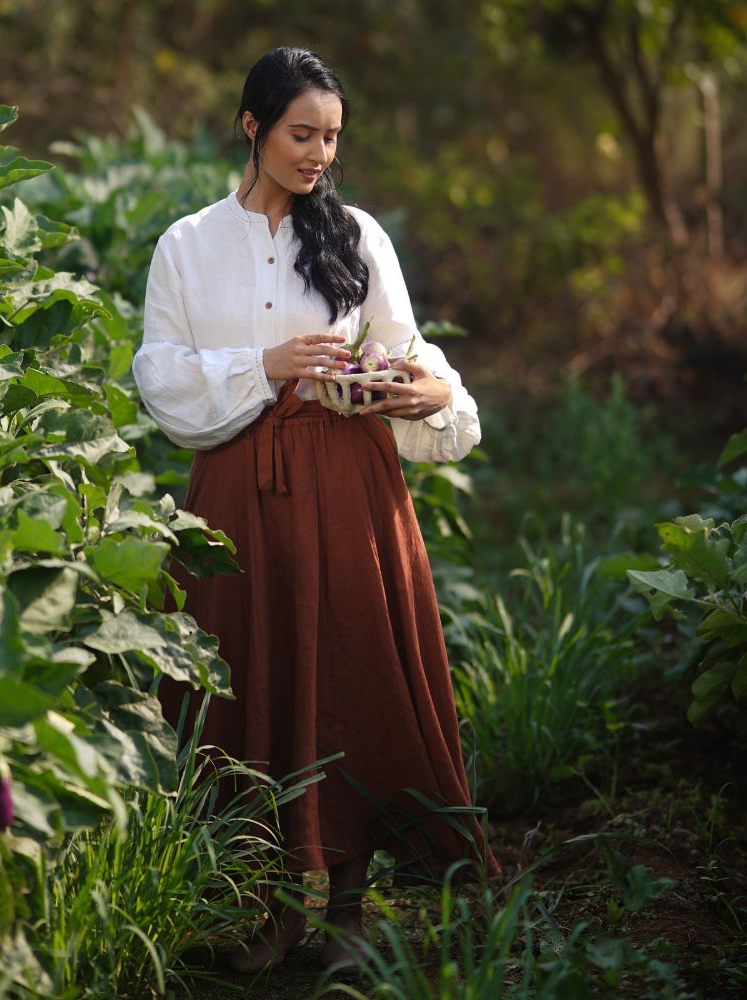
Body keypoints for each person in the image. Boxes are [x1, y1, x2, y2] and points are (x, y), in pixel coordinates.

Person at [132, 46, 501, 972]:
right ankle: (263, 903)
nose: (319, 155)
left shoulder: (357, 237)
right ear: (252, 126)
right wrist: (266, 366)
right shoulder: (187, 246)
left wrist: (425, 395)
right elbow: (162, 381)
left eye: (332, 138)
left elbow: (411, 355)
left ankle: (346, 910)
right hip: (235, 497)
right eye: (303, 134)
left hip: (348, 488)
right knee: (244, 679)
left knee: (348, 677)